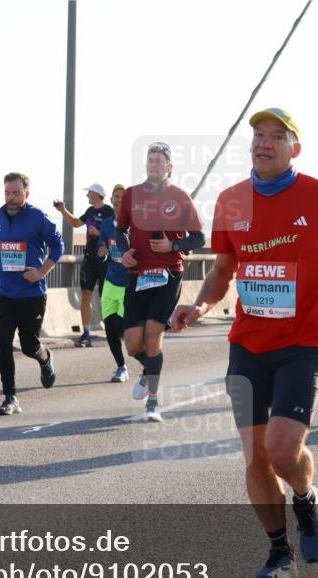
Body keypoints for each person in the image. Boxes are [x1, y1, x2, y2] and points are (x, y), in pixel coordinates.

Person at [170, 107, 318, 578]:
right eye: (258, 135)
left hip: (302, 344)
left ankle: (305, 496)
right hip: (248, 346)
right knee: (256, 457)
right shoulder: (232, 200)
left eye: (277, 136)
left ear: (294, 148)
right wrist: (198, 306)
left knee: (282, 450)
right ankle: (279, 553)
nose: (264, 143)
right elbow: (223, 269)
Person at [116, 141, 205, 422]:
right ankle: (149, 371)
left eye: (159, 161)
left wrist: (174, 247)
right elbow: (120, 231)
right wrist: (125, 251)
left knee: (154, 334)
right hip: (138, 275)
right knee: (132, 344)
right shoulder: (131, 195)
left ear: (169, 167)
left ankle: (152, 402)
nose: (154, 164)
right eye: (150, 160)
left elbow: (199, 237)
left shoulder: (179, 197)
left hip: (168, 274)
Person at [0, 173, 64, 415]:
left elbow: (58, 245)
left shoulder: (37, 218)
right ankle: (10, 397)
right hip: (5, 293)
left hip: (31, 294)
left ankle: (45, 358)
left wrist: (41, 272)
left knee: (28, 345)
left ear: (27, 194)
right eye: (7, 193)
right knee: (3, 342)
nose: (11, 198)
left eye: (16, 193)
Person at [54, 184, 115, 347]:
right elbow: (75, 223)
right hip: (89, 259)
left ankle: (112, 330)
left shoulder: (110, 211)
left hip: (106, 259)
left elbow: (118, 233)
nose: (87, 195)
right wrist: (62, 210)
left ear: (96, 194)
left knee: (106, 297)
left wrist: (100, 233)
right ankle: (86, 334)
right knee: (86, 294)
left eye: (89, 192)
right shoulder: (90, 212)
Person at [97, 185, 130, 382]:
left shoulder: (135, 224)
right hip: (111, 280)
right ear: (111, 200)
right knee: (109, 326)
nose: (118, 200)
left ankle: (147, 364)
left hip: (129, 283)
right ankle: (121, 367)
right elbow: (103, 245)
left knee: (124, 328)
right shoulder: (107, 224)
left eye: (122, 197)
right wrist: (102, 251)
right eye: (116, 197)